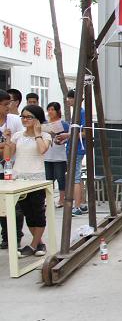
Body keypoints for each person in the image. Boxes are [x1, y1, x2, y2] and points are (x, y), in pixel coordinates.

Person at [3, 105, 52, 257]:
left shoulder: (45, 136)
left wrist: (37, 134)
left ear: (37, 119)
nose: (25, 120)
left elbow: (42, 150)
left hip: (37, 179)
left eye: (29, 117)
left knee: (38, 212)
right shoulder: (18, 135)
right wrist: (8, 140)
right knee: (27, 213)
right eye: (23, 117)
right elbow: (7, 157)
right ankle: (39, 243)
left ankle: (32, 245)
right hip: (19, 179)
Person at [0, 89, 25, 249]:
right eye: (4, 104)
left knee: (15, 205)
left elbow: (18, 144)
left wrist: (7, 145)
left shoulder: (15, 120)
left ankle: (15, 236)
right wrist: (6, 144)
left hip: (12, 168)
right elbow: (9, 145)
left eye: (9, 103)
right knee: (1, 204)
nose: (8, 107)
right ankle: (5, 236)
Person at [55, 89, 87, 216]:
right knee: (76, 177)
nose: (68, 100)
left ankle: (77, 206)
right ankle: (81, 204)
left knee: (75, 177)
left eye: (70, 98)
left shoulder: (81, 113)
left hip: (77, 150)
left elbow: (85, 133)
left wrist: (67, 136)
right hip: (73, 147)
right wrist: (66, 139)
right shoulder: (76, 113)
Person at [43, 102, 70, 208]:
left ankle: (61, 199)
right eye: (49, 109)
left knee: (60, 178)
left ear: (58, 111)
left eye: (52, 109)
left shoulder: (64, 124)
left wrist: (62, 140)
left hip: (59, 156)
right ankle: (49, 199)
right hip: (47, 155)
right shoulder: (44, 123)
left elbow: (68, 138)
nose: (50, 112)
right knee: (48, 179)